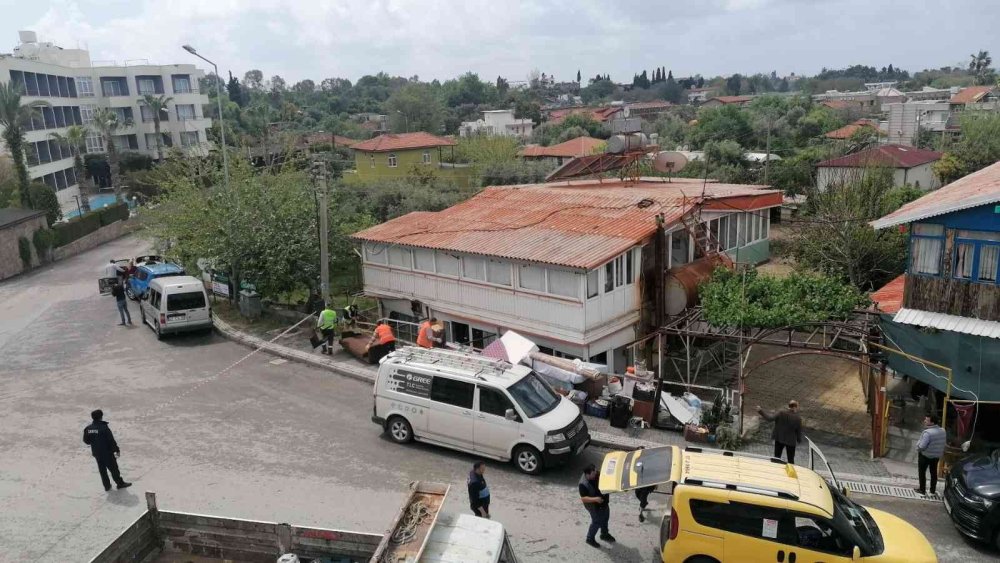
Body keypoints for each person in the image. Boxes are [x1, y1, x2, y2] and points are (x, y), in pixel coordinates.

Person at [82, 409, 132, 492]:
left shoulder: (88, 428)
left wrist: (95, 442)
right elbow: (111, 440)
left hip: (96, 453)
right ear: (101, 417)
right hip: (107, 453)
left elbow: (86, 441)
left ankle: (107, 486)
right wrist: (116, 450)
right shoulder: (104, 428)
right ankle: (120, 483)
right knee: (114, 469)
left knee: (102, 470)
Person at [579, 463, 615, 548]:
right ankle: (589, 539)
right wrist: (595, 499)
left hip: (604, 503)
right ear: (588, 474)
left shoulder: (596, 473)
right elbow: (583, 499)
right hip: (594, 507)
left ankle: (604, 534)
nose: (596, 473)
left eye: (596, 471)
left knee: (605, 518)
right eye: (594, 473)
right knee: (596, 522)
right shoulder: (583, 484)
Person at [915, 414, 946, 495]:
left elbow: (922, 446)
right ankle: (932, 490)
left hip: (925, 456)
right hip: (936, 456)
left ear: (932, 423)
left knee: (922, 472)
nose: (925, 421)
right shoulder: (943, 431)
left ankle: (922, 490)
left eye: (927, 420)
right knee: (933, 472)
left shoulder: (927, 433)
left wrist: (917, 446)